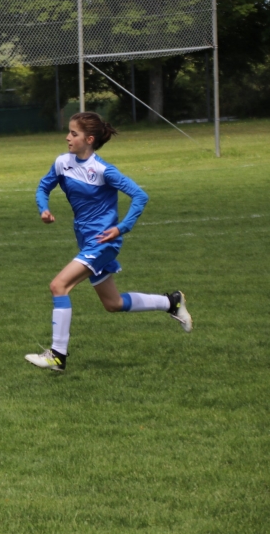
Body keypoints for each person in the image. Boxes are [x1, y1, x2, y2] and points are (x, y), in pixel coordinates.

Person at [25, 112, 191, 372]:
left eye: (74, 134)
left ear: (89, 139)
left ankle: (57, 355)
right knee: (113, 304)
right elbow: (43, 187)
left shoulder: (103, 170)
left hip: (103, 243)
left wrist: (122, 227)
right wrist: (43, 208)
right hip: (87, 242)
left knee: (58, 286)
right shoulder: (62, 163)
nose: (67, 137)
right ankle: (172, 301)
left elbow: (140, 196)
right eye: (69, 132)